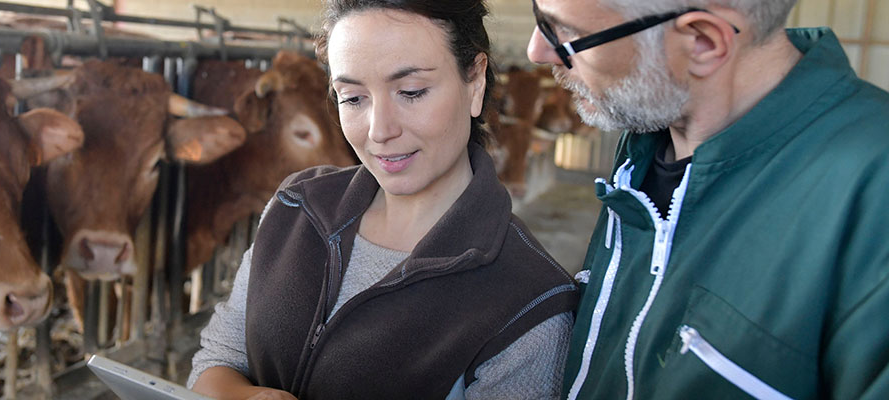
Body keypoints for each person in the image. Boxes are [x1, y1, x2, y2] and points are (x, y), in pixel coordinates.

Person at [186, 0, 580, 399]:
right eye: (353, 98)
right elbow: (218, 360)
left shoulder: (533, 303)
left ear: (475, 82)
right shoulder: (296, 207)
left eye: (411, 92)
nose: (379, 131)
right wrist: (248, 396)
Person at [526, 0, 889, 398]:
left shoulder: (871, 194)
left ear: (702, 41)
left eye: (566, 32)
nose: (538, 51)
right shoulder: (647, 142)